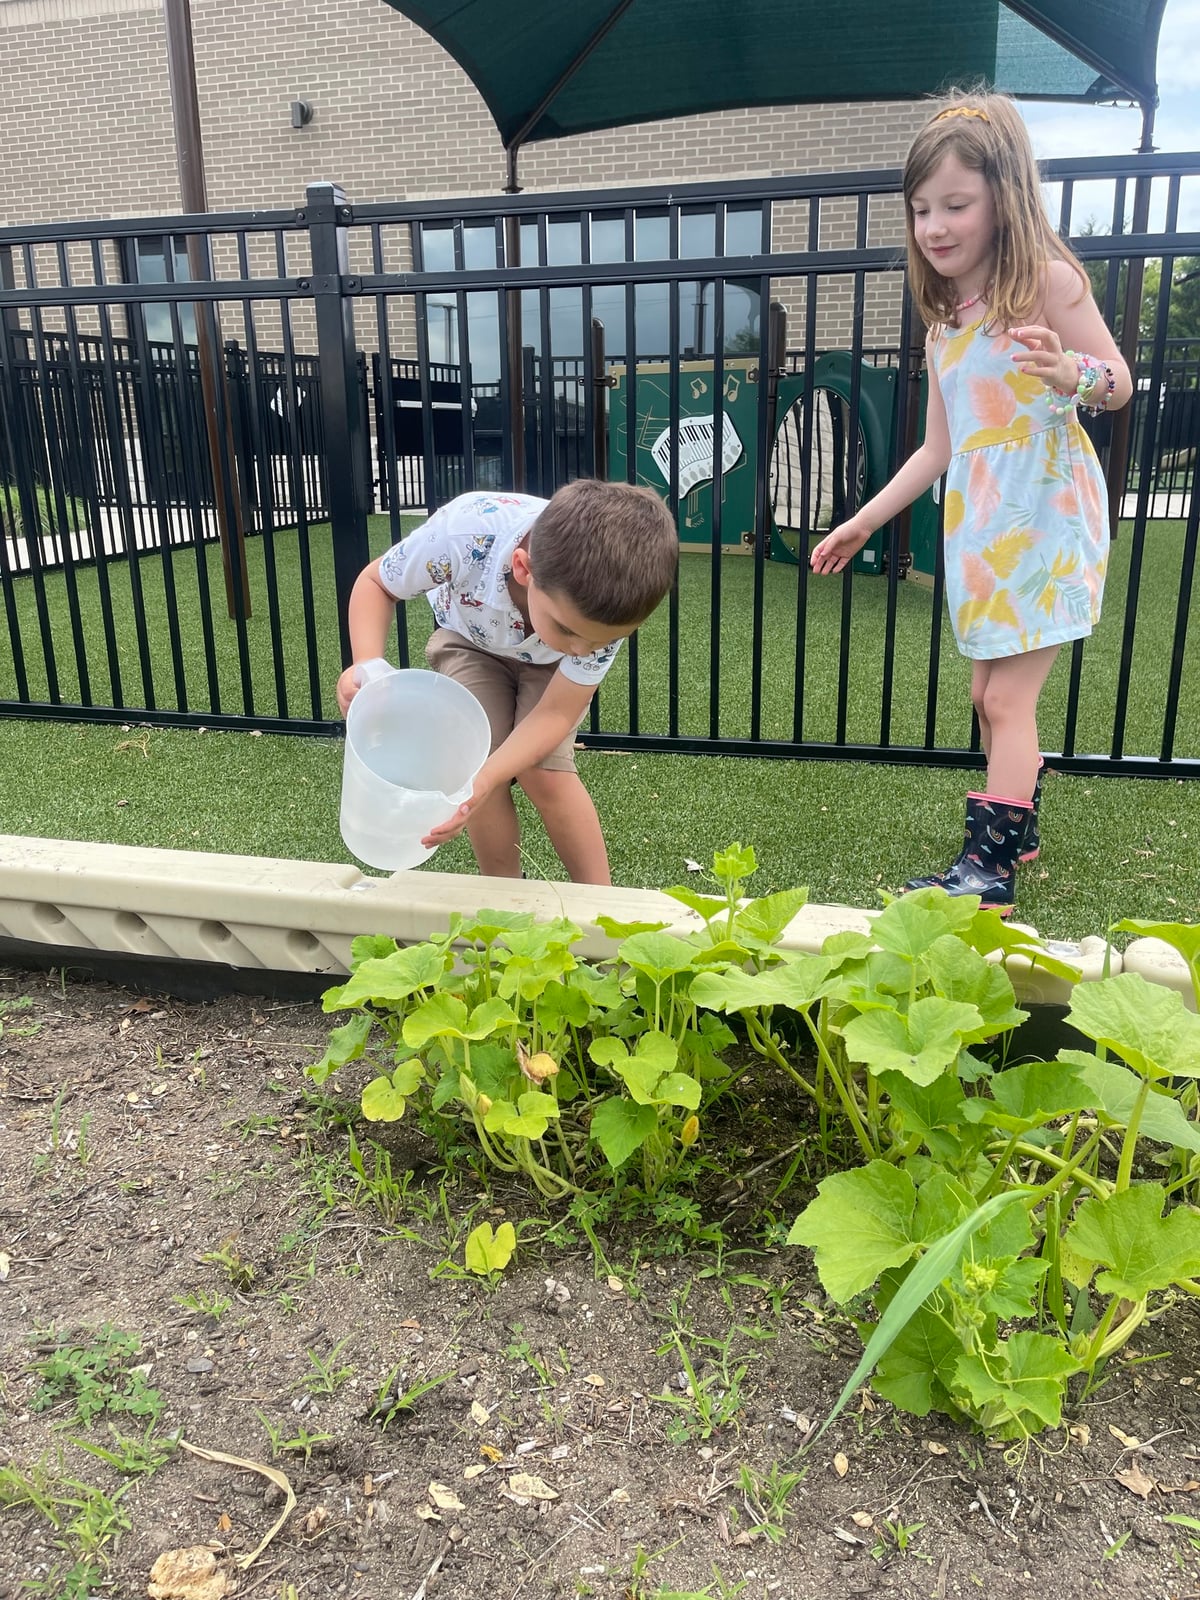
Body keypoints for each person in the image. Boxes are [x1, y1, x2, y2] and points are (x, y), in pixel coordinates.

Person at [810, 90, 1131, 915]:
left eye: (955, 204)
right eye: (921, 209)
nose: (935, 226)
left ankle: (989, 872)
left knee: (1004, 699)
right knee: (981, 697)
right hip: (984, 526)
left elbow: (1118, 383)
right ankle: (1017, 821)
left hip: (1048, 517)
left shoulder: (1048, 287)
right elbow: (937, 450)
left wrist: (1072, 375)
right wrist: (863, 519)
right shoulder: (945, 324)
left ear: (1003, 197)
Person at [337, 479, 678, 885]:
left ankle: (603, 902)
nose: (584, 650)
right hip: (472, 641)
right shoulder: (463, 534)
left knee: (543, 771)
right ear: (523, 567)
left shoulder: (600, 617)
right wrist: (367, 663)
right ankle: (501, 894)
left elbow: (555, 712)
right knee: (475, 762)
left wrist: (481, 783)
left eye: (604, 640)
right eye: (569, 629)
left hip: (550, 669)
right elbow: (377, 583)